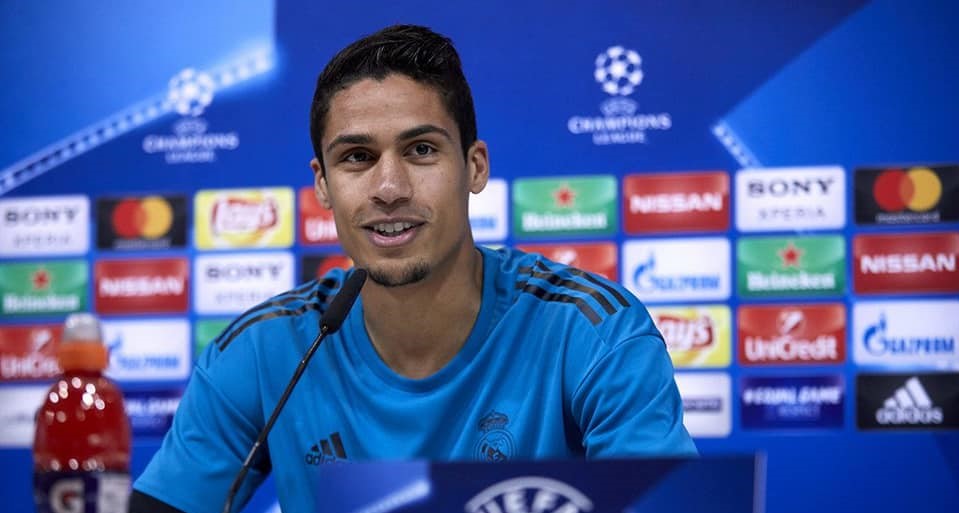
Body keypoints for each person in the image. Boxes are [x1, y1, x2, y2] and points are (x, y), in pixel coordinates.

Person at [130, 24, 696, 513]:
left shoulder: (594, 331)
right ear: (323, 185)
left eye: (421, 150)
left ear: (474, 167)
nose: (390, 188)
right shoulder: (265, 348)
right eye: (357, 157)